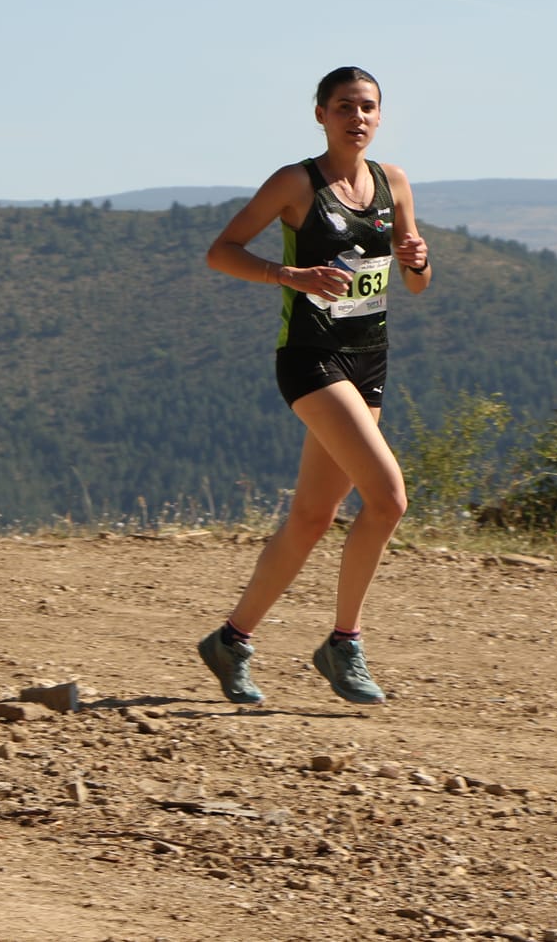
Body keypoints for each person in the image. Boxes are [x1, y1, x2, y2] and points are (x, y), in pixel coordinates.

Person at [197, 67, 432, 706]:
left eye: (368, 107)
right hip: (310, 358)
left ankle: (231, 640)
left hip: (369, 359)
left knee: (311, 517)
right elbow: (222, 251)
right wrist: (289, 275)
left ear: (380, 117)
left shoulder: (395, 183)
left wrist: (418, 261)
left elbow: (414, 282)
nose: (357, 117)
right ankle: (343, 642)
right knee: (387, 498)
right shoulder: (296, 183)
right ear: (321, 115)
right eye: (343, 107)